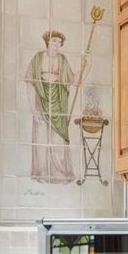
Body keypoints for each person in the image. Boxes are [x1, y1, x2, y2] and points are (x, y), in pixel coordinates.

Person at [27, 29, 74, 183]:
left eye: (59, 43)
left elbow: (74, 80)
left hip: (58, 105)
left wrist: (87, 64)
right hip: (41, 102)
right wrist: (33, 110)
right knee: (41, 140)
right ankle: (41, 174)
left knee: (58, 142)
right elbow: (30, 83)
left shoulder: (62, 60)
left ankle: (59, 175)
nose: (57, 45)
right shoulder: (38, 58)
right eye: (54, 41)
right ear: (48, 41)